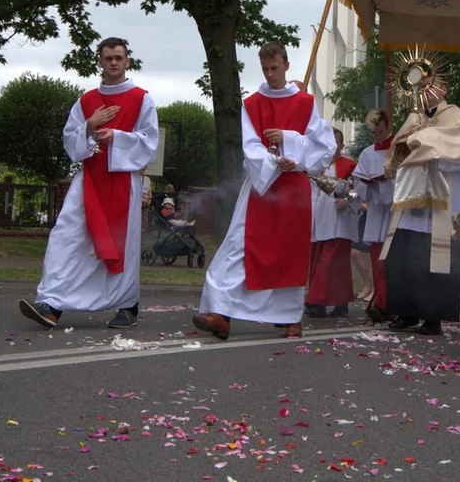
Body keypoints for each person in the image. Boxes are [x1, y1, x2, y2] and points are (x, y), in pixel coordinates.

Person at [193, 41, 335, 340]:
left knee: (288, 254)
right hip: (262, 186)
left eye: (275, 68)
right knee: (238, 248)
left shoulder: (307, 103)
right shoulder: (252, 104)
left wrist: (289, 140)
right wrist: (273, 160)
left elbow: (324, 146)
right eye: (265, 69)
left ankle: (289, 317)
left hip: (294, 189)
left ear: (286, 65)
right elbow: (250, 146)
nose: (270, 74)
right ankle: (222, 313)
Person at [19, 37, 159, 330]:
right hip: (89, 180)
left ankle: (127, 305)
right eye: (108, 58)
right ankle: (51, 304)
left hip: (123, 182)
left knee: (122, 244)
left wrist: (117, 137)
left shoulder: (141, 98)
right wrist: (90, 125)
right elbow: (70, 140)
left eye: (119, 57)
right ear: (99, 61)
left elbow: (149, 142)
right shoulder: (86, 101)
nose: (114, 63)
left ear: (127, 61)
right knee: (66, 239)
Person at [382, 79, 460, 336]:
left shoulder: (457, 117)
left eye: (431, 86)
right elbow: (398, 152)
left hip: (442, 197)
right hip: (412, 197)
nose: (425, 91)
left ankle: (433, 315)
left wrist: (426, 143)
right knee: (407, 254)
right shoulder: (414, 117)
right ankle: (407, 311)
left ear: (444, 90)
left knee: (435, 257)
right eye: (422, 87)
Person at [305, 128, 359, 318]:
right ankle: (341, 302)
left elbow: (359, 191)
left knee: (328, 262)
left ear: (341, 146)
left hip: (339, 222)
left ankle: (317, 302)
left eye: (335, 143)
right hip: (318, 221)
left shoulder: (350, 165)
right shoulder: (317, 165)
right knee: (335, 264)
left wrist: (348, 199)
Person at [352, 109, 395, 323]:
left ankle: (388, 303)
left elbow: (404, 181)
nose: (378, 136)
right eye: (374, 133)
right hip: (376, 212)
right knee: (377, 260)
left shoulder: (398, 150)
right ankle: (380, 302)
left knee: (390, 262)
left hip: (394, 211)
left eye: (381, 131)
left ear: (388, 127)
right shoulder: (367, 153)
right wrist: (366, 183)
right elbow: (359, 182)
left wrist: (385, 183)